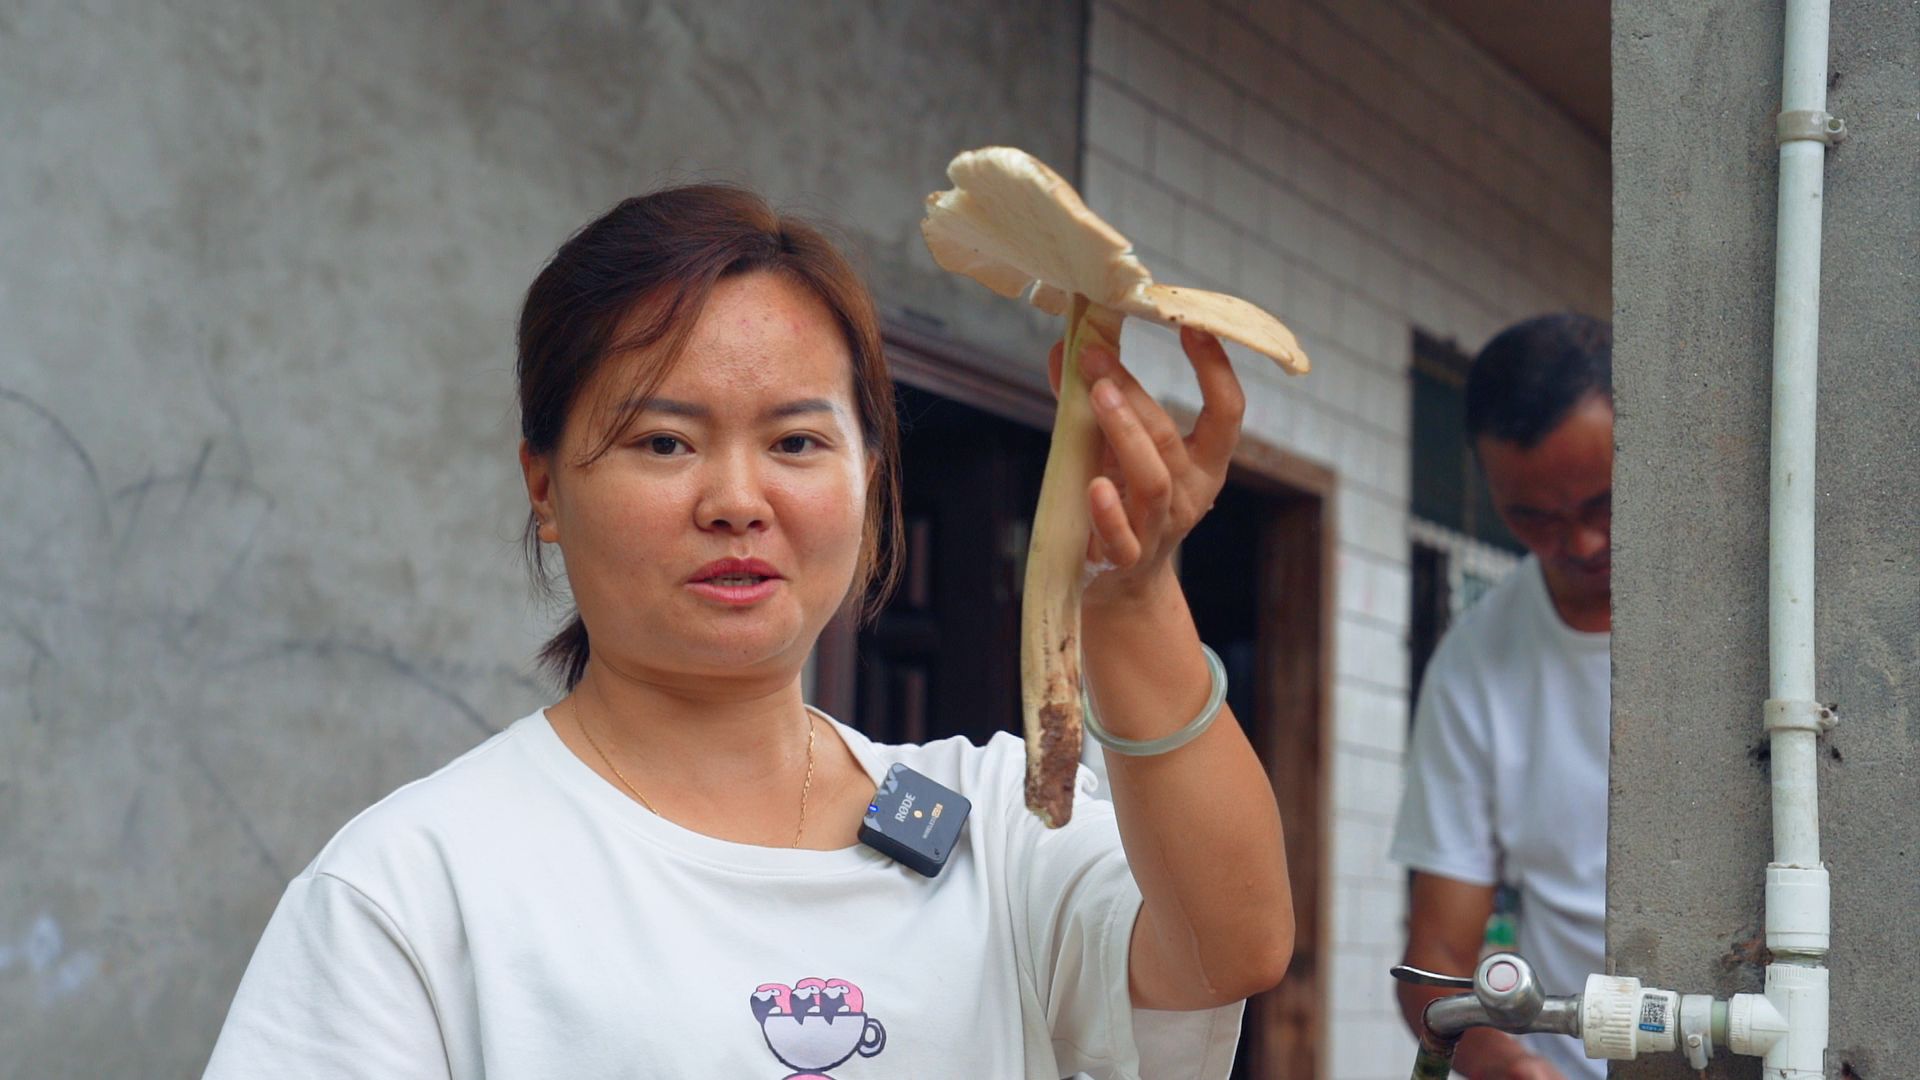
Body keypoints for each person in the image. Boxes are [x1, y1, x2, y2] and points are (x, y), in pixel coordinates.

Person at [203, 185, 1293, 1079]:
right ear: (545, 487)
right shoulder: (414, 887)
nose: (736, 498)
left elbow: (1227, 946)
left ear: (871, 478)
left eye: (796, 442)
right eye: (666, 443)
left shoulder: (991, 830)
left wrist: (1132, 597)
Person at [1390, 315, 1613, 1080]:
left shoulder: (1761, 619)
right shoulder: (1474, 666)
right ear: (1490, 490)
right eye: (1536, 517)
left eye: (1602, 503)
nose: (1579, 544)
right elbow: (1437, 965)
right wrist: (1508, 1068)